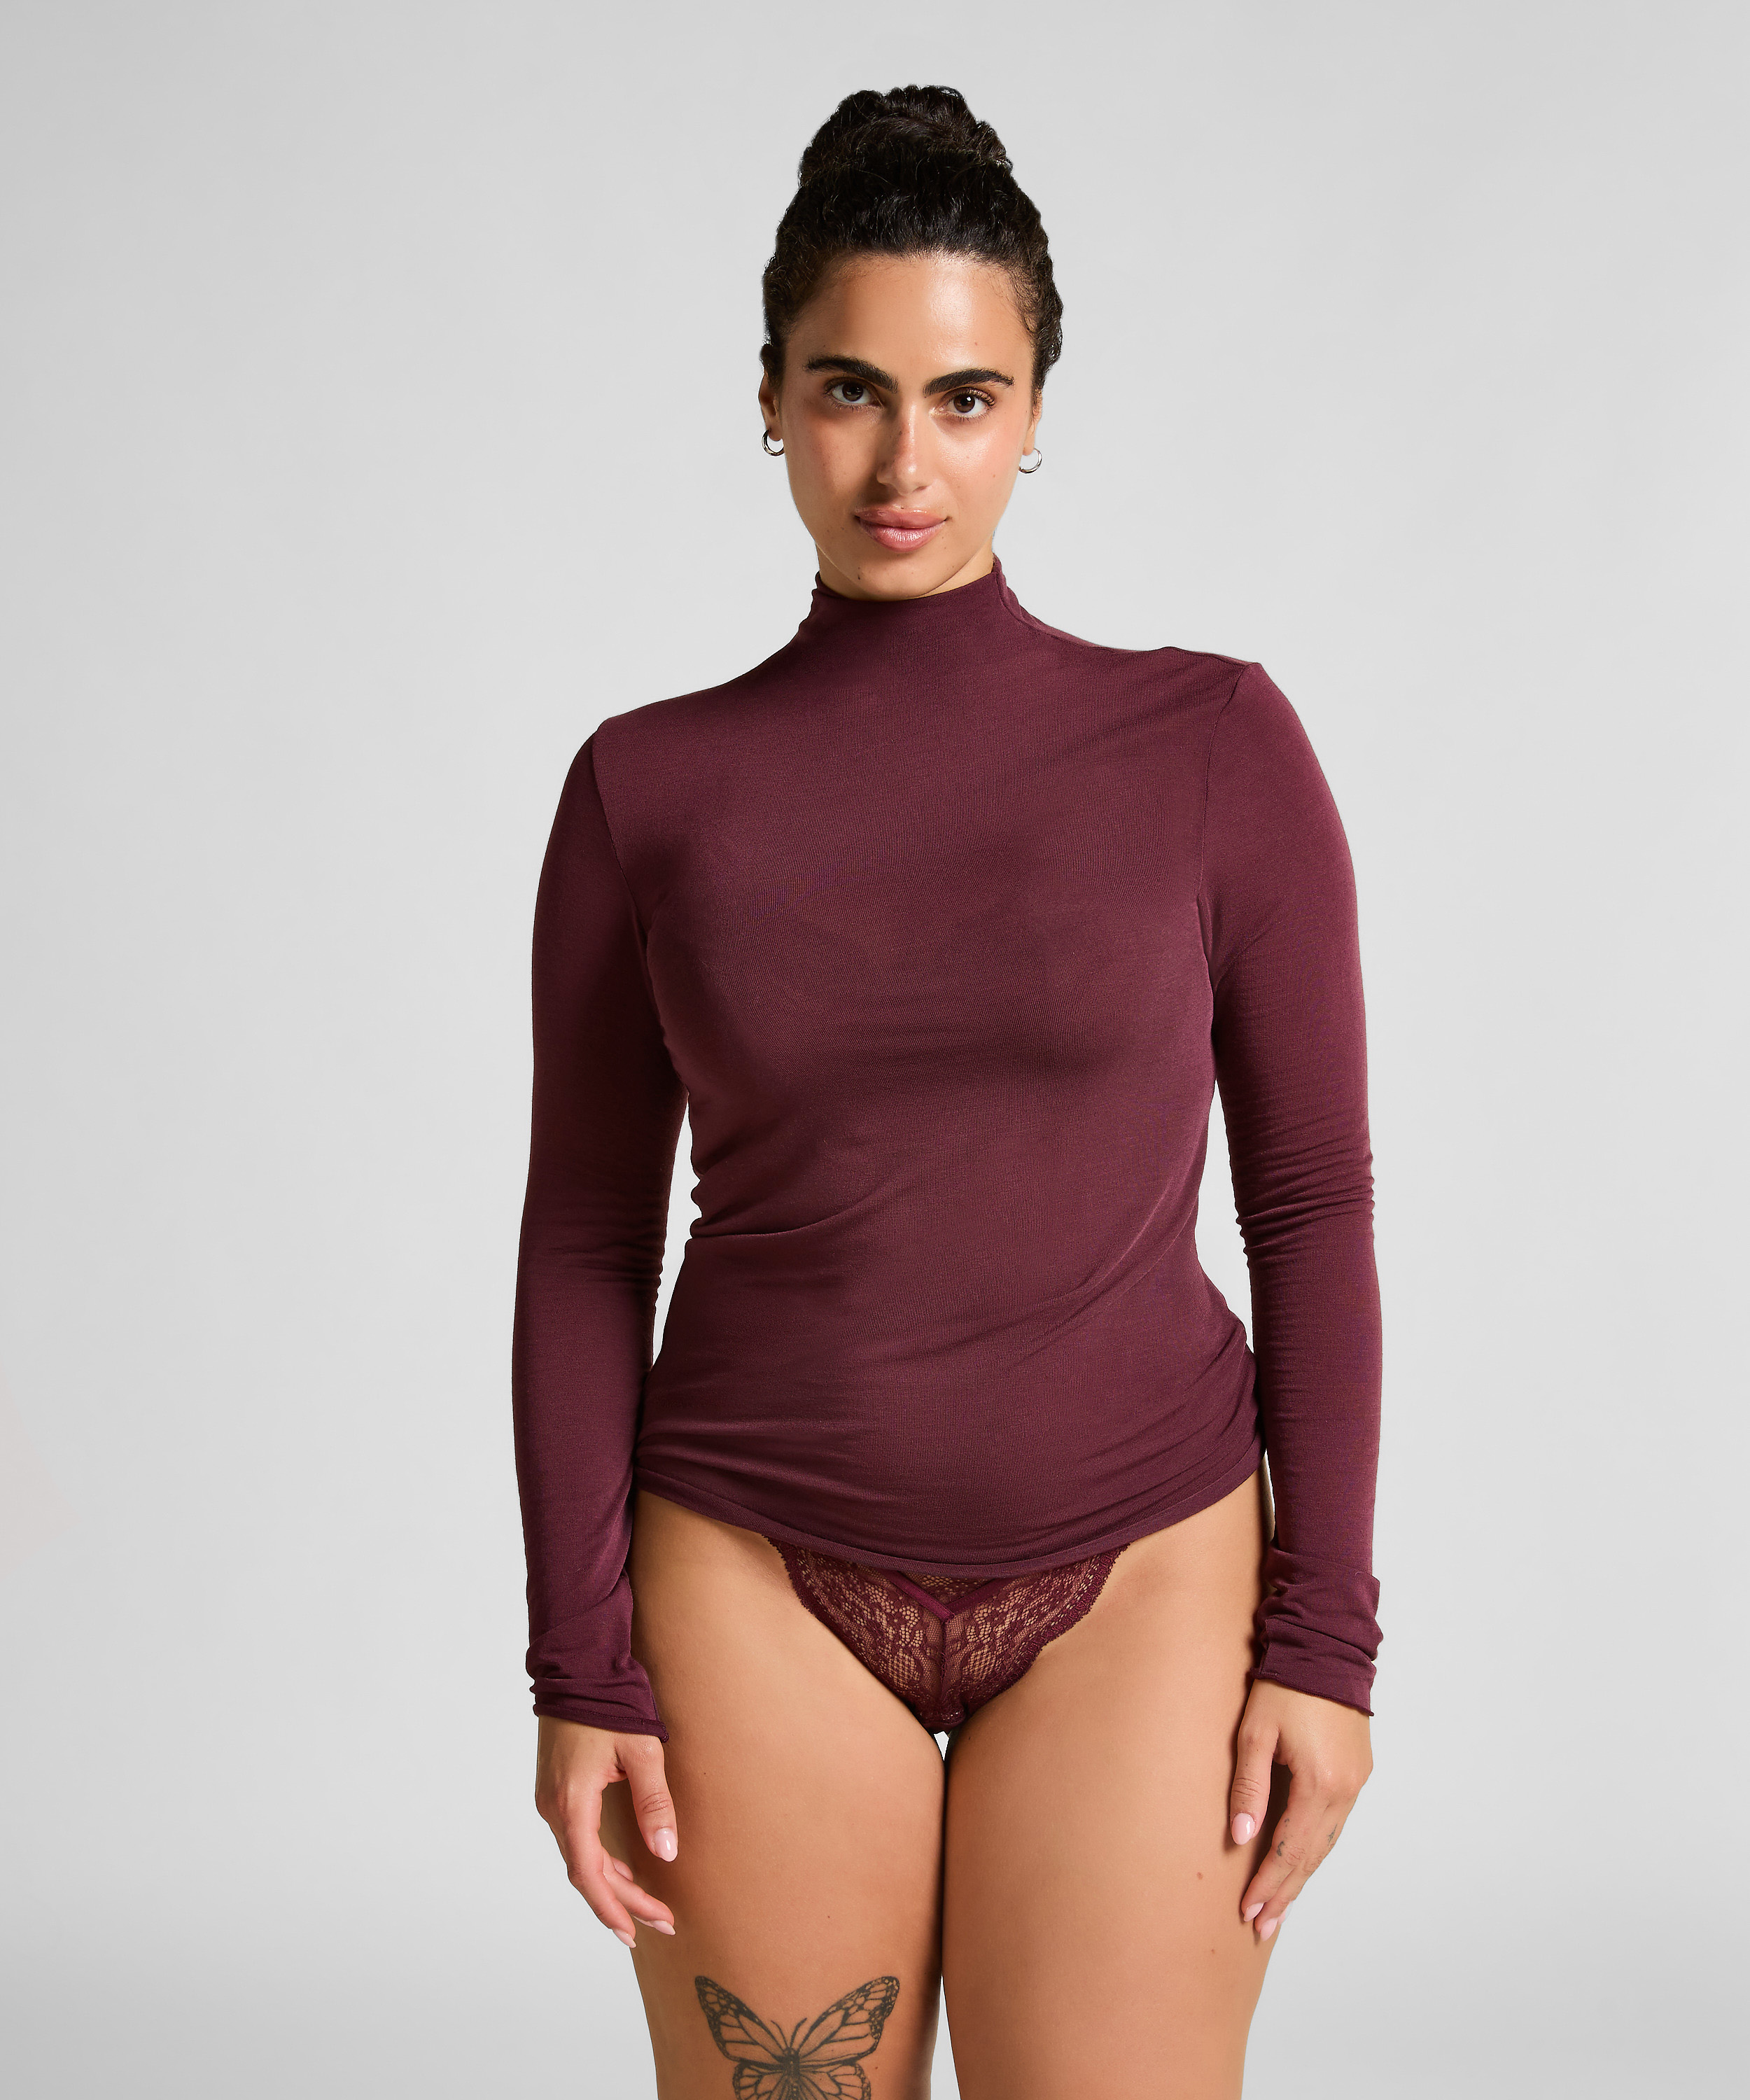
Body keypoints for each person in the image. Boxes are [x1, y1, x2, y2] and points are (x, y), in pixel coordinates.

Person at [511, 83, 1381, 2100]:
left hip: (1145, 1563)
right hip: (754, 1564)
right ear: (768, 398)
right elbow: (583, 1239)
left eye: (965, 398)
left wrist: (1325, 1644)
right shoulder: (647, 789)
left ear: (1035, 411)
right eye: (849, 391)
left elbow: (1311, 1202)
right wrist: (578, 1657)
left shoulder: (1211, 747)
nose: (905, 464)